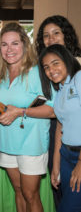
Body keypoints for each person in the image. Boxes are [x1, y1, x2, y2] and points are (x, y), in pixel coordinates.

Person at [0, 22, 55, 212]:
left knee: (30, 195)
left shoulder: (38, 72)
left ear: (24, 45)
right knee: (19, 191)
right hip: (7, 142)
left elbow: (52, 110)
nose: (9, 49)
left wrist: (19, 111)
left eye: (14, 43)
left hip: (31, 144)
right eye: (4, 44)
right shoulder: (1, 74)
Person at [35, 15, 81, 208]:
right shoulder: (60, 88)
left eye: (56, 63)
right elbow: (60, 126)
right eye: (46, 66)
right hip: (65, 152)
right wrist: (55, 165)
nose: (51, 69)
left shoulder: (78, 77)